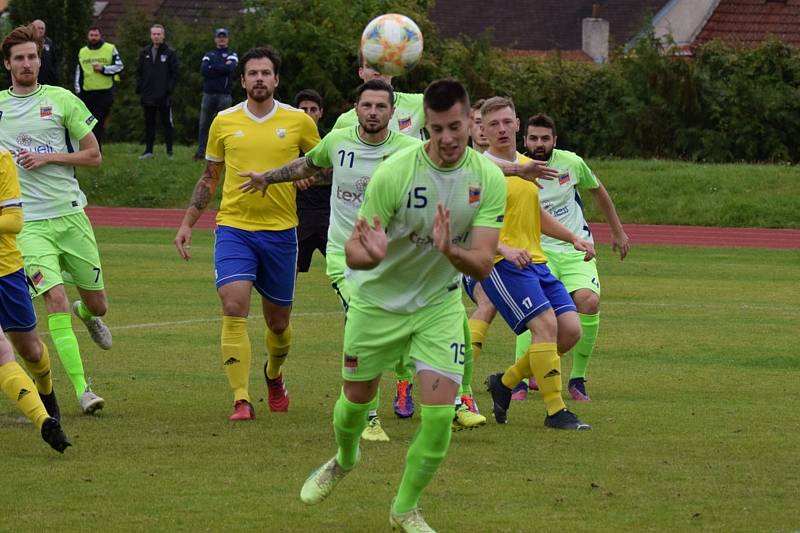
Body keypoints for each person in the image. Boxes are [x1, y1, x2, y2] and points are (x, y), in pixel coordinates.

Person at [298, 79, 507, 532]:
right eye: (437, 129)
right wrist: (368, 252)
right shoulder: (396, 171)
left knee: (437, 420)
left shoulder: (487, 178)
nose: (448, 139)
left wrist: (450, 249)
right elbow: (355, 250)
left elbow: (484, 263)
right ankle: (344, 458)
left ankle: (404, 509)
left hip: (438, 306)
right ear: (425, 126)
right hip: (377, 302)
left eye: (456, 127)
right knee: (355, 401)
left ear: (471, 123)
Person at [239, 79, 426, 442]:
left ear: (392, 112)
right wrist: (268, 178)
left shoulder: (409, 149)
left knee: (396, 336)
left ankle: (398, 387)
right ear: (355, 108)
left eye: (381, 107)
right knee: (362, 319)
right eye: (367, 105)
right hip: (345, 255)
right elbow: (307, 166)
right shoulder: (339, 141)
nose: (373, 112)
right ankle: (367, 417)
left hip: (390, 258)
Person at [174, 46, 320, 421]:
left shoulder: (299, 121)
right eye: (252, 73)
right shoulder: (223, 121)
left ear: (276, 79)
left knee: (278, 324)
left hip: (281, 233)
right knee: (234, 305)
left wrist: (305, 177)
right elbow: (210, 177)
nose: (258, 79)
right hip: (235, 229)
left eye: (265, 73)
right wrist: (188, 223)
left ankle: (273, 374)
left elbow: (322, 166)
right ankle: (241, 398)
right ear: (242, 81)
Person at [1, 25, 110, 415]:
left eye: (32, 57)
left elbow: (94, 155)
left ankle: (87, 314)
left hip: (70, 215)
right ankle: (84, 391)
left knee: (97, 305)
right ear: (8, 64)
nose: (27, 63)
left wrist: (49, 157)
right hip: (26, 224)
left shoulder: (62, 100)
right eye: (19, 58)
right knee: (55, 299)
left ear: (40, 59)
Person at [470, 97, 594, 430]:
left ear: (517, 124)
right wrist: (504, 248)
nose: (500, 129)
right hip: (500, 263)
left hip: (535, 261)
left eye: (506, 122)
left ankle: (506, 382)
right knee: (545, 327)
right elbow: (464, 222)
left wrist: (573, 237)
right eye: (491, 123)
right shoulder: (477, 168)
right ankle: (556, 411)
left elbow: (535, 215)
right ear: (481, 128)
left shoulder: (527, 165)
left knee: (570, 331)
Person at [332, 51, 427, 419]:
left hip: (403, 239)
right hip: (353, 243)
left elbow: (453, 127)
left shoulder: (418, 105)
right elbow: (327, 159)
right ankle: (365, 408)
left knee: (402, 319)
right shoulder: (345, 123)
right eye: (373, 66)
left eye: (386, 66)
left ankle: (404, 382)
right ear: (361, 72)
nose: (379, 72)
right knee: (361, 316)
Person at [510, 113, 630, 401]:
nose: (539, 144)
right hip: (539, 251)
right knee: (534, 309)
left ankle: (577, 379)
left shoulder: (572, 163)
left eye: (545, 138)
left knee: (588, 301)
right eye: (534, 138)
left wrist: (618, 231)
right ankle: (519, 381)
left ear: (555, 140)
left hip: (577, 249)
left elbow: (598, 191)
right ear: (525, 140)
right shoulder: (515, 169)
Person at [0, 147, 71, 453]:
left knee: (31, 350)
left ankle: (47, 392)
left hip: (6, 270)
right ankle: (44, 422)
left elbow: (14, 221)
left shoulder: (1, 159)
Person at [332, 50, 426, 140]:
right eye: (370, 66)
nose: (377, 72)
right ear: (361, 72)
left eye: (383, 66)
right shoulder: (344, 122)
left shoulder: (420, 103)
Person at [292, 88, 330, 275]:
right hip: (298, 215)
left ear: (321, 112)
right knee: (290, 271)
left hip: (329, 215)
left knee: (345, 271)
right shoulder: (287, 143)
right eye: (303, 110)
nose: (308, 114)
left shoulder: (331, 140)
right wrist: (293, 180)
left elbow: (338, 170)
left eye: (313, 109)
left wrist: (312, 177)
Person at [74, 26, 124, 147]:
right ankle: (90, 147)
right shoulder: (83, 51)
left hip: (104, 92)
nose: (94, 38)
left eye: (96, 35)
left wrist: (104, 69)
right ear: (88, 36)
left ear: (100, 36)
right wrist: (78, 90)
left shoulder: (110, 48)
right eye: (92, 35)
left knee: (98, 121)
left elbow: (119, 66)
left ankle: (96, 148)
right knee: (88, 122)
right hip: (87, 92)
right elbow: (78, 72)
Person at [194, 28, 237, 161]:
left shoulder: (232, 54)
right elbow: (203, 70)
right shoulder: (209, 54)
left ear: (228, 39)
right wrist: (221, 67)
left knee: (224, 126)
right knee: (204, 124)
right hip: (208, 94)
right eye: (219, 36)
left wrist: (213, 67)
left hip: (224, 95)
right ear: (215, 39)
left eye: (224, 36)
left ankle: (224, 153)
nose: (222, 39)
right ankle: (201, 152)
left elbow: (230, 68)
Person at [136, 24, 179, 159]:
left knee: (167, 124)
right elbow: (139, 72)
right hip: (148, 95)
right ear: (151, 36)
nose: (156, 36)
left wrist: (168, 90)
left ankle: (169, 152)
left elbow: (175, 73)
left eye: (158, 34)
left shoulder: (170, 53)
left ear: (163, 35)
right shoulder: (145, 52)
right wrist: (141, 88)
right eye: (154, 34)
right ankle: (148, 151)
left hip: (164, 96)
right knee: (149, 123)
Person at [31, 20, 57, 86]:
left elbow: (54, 60)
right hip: (34, 80)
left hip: (49, 81)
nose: (41, 30)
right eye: (38, 28)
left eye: (42, 28)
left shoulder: (49, 42)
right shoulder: (28, 42)